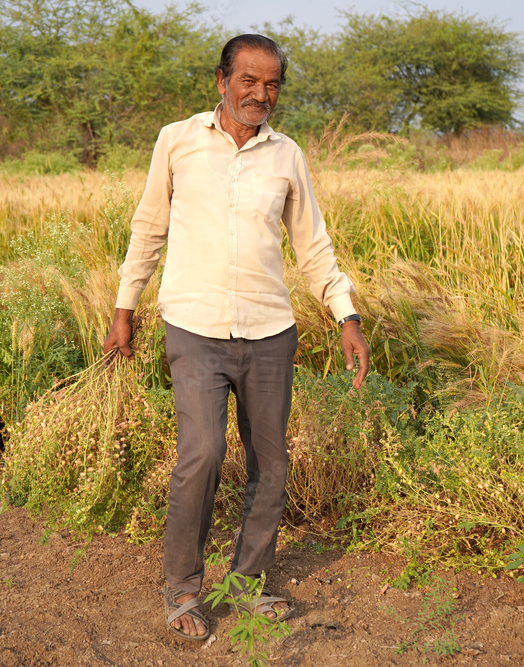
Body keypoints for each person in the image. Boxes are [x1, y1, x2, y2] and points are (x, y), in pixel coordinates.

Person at [101, 34, 370, 641]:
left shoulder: (286, 155)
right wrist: (125, 307)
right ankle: (182, 590)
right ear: (221, 80)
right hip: (193, 325)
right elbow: (148, 229)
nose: (261, 94)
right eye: (248, 81)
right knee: (202, 454)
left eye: (272, 83)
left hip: (269, 329)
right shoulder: (178, 140)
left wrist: (345, 317)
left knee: (270, 465)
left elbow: (313, 246)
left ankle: (247, 584)